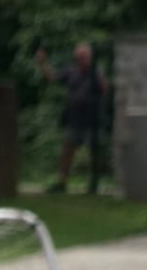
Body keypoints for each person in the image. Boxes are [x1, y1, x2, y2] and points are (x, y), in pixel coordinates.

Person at [35, 42, 108, 194]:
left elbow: (105, 89)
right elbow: (52, 78)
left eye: (84, 57)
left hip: (91, 119)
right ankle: (61, 182)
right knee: (68, 149)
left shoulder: (96, 72)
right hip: (74, 118)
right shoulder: (71, 71)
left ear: (90, 57)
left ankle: (93, 183)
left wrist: (95, 73)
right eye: (79, 57)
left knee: (94, 151)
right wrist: (42, 63)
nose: (82, 60)